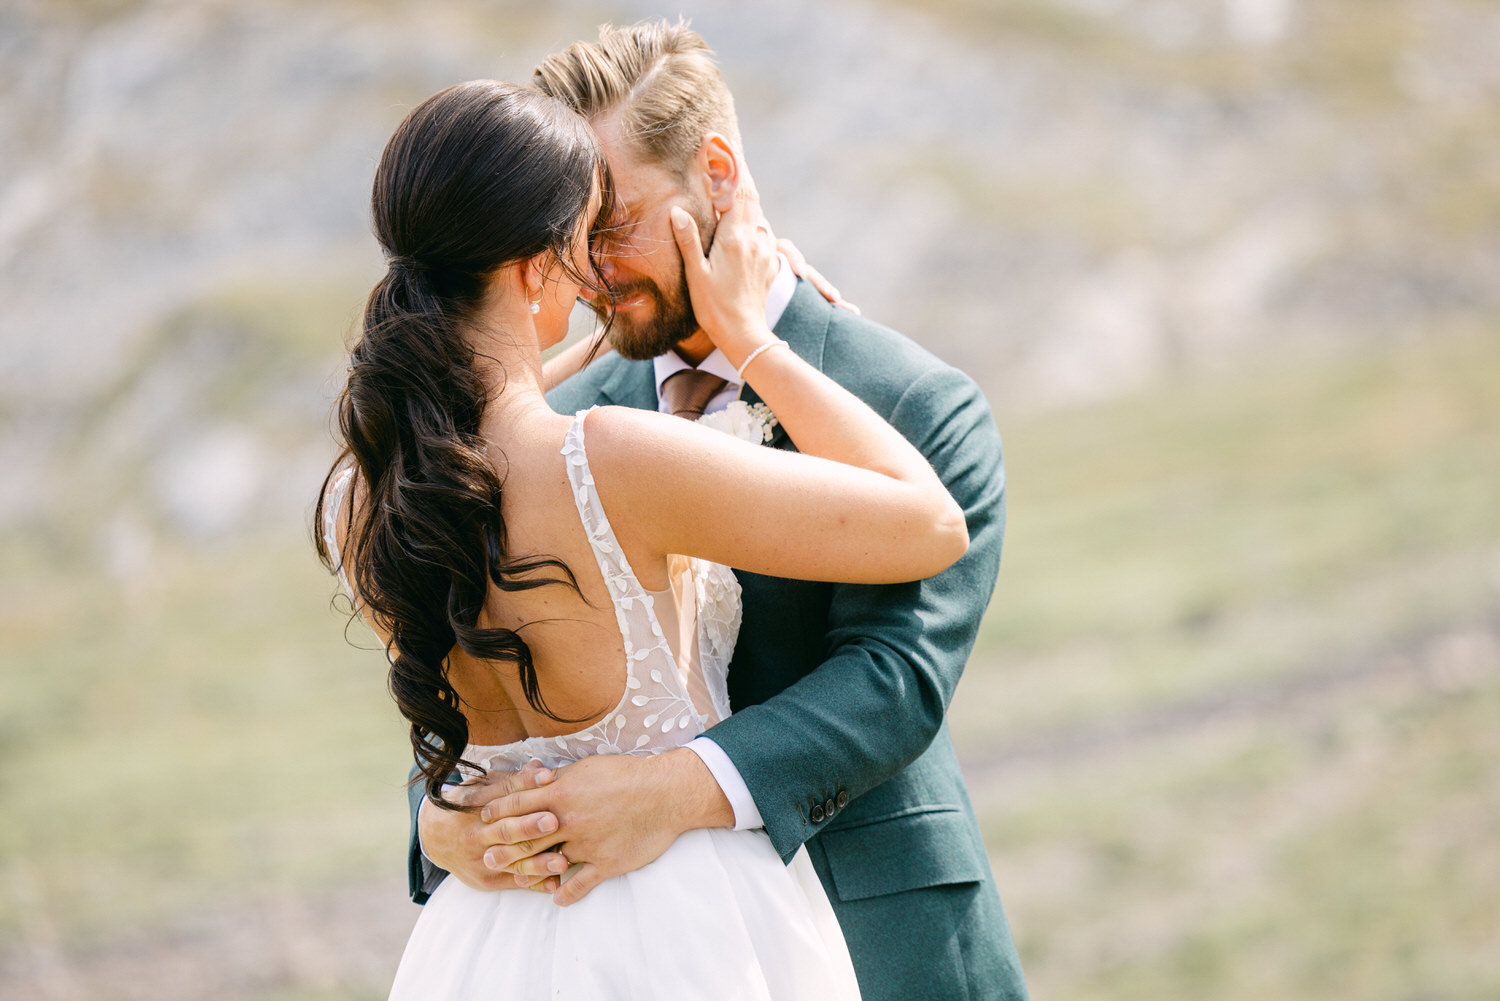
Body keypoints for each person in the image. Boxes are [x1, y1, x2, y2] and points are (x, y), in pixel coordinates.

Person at [317, 77, 974, 999]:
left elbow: (486, 393)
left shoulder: (366, 490)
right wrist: (755, 342)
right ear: (536, 264)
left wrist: (439, 823)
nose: (598, 277)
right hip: (686, 927)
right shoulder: (609, 460)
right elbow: (932, 523)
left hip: (484, 943)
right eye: (584, 237)